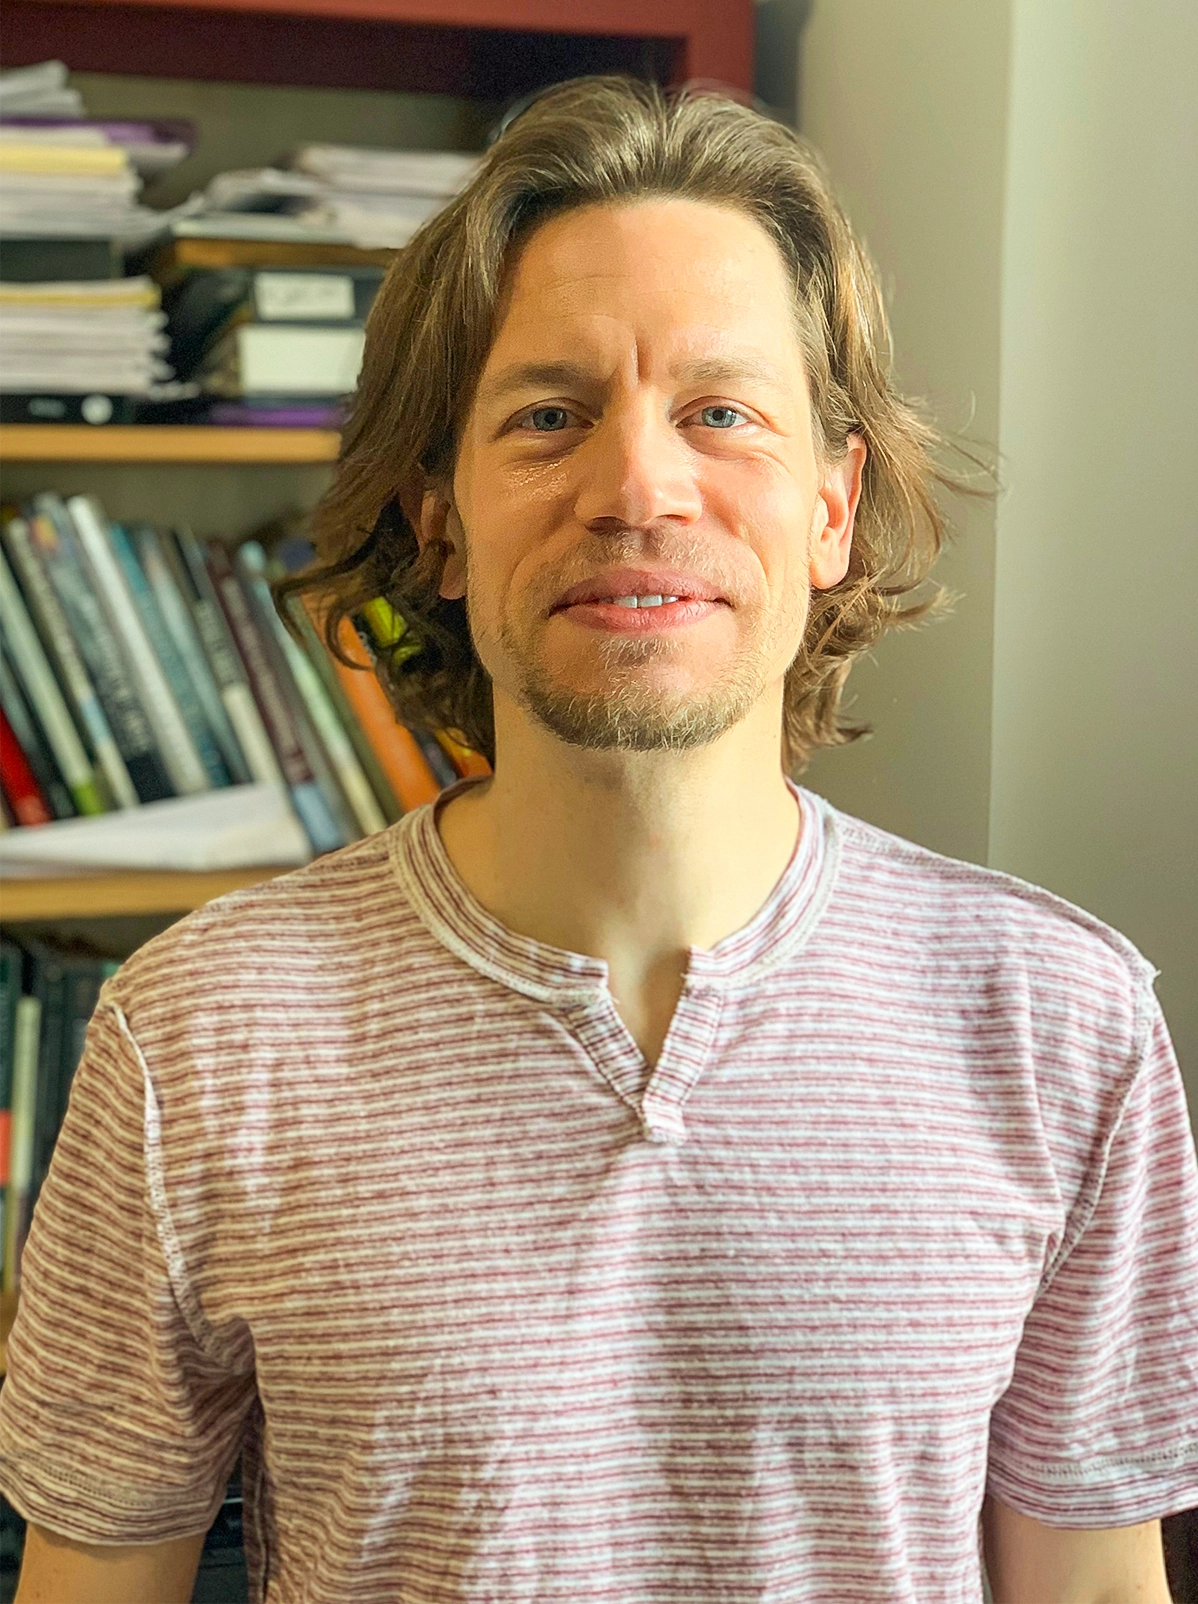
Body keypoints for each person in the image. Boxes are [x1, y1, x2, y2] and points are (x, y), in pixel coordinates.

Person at [1, 74, 1195, 1604]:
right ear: (437, 519)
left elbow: (1094, 1588)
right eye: (550, 416)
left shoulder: (1057, 1022)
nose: (636, 487)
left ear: (832, 506)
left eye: (721, 413)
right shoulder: (195, 1039)